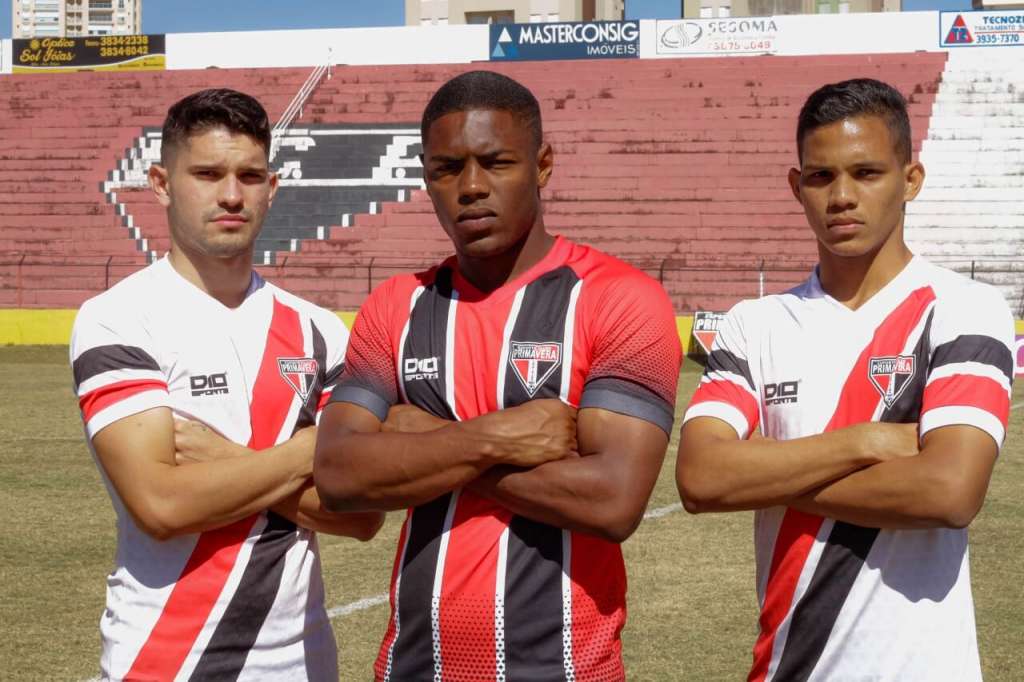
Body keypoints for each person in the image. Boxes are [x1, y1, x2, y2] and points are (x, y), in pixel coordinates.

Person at [313, 70, 682, 681]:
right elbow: (337, 476)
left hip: (567, 669)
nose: (471, 187)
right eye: (446, 168)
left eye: (496, 162)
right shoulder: (394, 306)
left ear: (542, 165)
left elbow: (613, 499)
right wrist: (489, 439)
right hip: (412, 667)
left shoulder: (619, 299)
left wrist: (422, 441)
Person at [676, 78, 1015, 681]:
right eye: (820, 177)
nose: (841, 197)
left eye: (866, 173)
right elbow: (701, 479)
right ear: (796, 186)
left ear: (911, 180)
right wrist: (864, 442)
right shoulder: (753, 324)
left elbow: (949, 491)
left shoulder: (965, 308)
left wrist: (763, 475)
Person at [70, 88, 383, 681]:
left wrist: (229, 464)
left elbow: (361, 517)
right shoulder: (119, 317)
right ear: (161, 182)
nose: (232, 194)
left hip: (304, 664)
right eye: (208, 174)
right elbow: (162, 506)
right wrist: (307, 451)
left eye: (250, 175)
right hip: (163, 661)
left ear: (273, 187)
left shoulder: (320, 331)